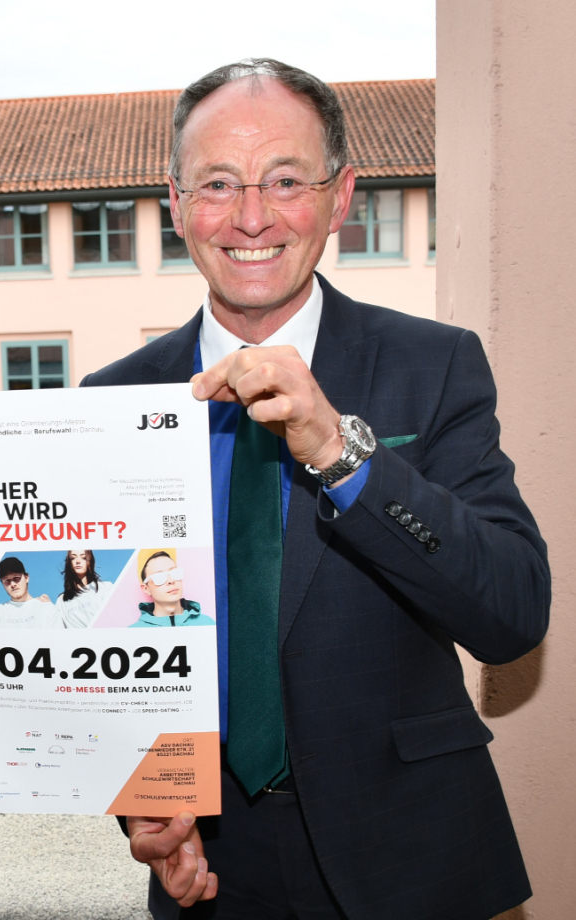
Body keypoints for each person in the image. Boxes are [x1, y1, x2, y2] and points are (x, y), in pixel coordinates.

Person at [83, 59, 548, 920]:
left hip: (412, 854)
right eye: (217, 183)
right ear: (176, 205)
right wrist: (142, 805)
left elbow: (512, 613)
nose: (251, 216)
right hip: (214, 869)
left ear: (341, 199)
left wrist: (341, 451)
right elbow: (106, 644)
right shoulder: (110, 400)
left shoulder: (434, 366)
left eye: (285, 180)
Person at [130, 549, 212, 628]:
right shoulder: (133, 633)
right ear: (146, 588)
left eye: (175, 573)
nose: (171, 580)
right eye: (159, 577)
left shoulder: (208, 624)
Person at [0, 557, 61, 629]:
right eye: (7, 580)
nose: (13, 584)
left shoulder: (47, 609)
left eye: (16, 578)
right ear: (2, 584)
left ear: (26, 578)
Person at [55, 548, 107, 628]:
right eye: (73, 558)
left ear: (90, 562)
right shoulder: (62, 600)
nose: (78, 561)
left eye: (83, 557)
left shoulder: (105, 588)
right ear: (69, 563)